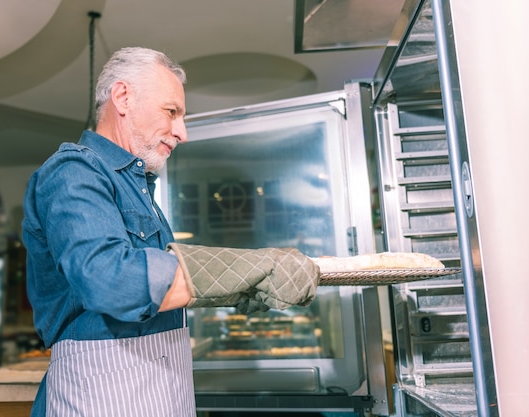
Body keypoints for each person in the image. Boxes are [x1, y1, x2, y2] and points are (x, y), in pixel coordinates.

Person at [22, 47, 319, 417]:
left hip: (163, 391)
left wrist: (243, 288)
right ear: (123, 98)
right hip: (102, 394)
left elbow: (167, 290)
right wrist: (254, 267)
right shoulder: (73, 173)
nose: (182, 132)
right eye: (172, 112)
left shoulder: (140, 187)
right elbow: (110, 280)